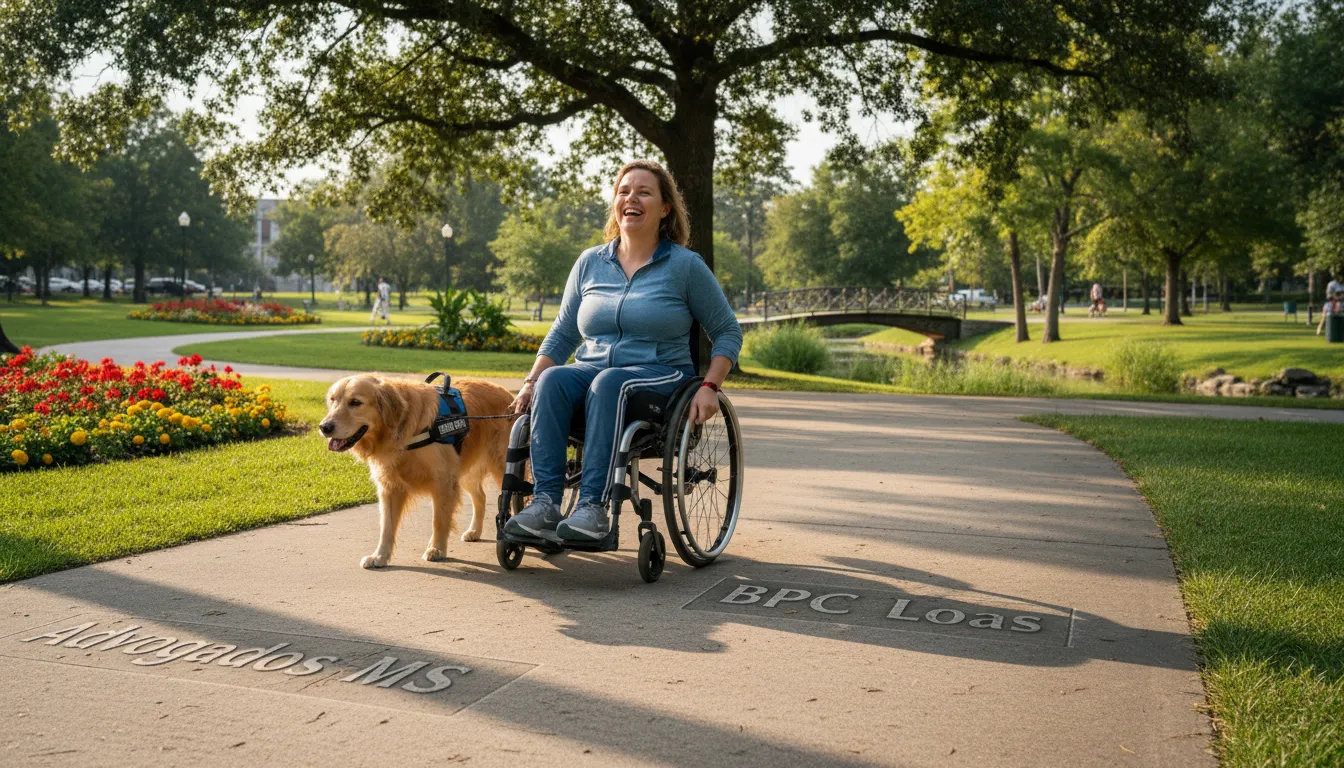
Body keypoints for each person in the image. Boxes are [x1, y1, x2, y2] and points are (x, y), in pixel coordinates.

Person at [505, 159, 742, 543]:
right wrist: (531, 381)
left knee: (611, 382)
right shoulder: (589, 262)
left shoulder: (685, 267)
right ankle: (545, 502)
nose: (631, 198)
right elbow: (563, 333)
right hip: (594, 373)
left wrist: (710, 387)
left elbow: (727, 331)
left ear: (665, 209)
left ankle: (592, 508)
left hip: (661, 376)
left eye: (644, 192)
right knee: (552, 379)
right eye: (624, 191)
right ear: (616, 204)